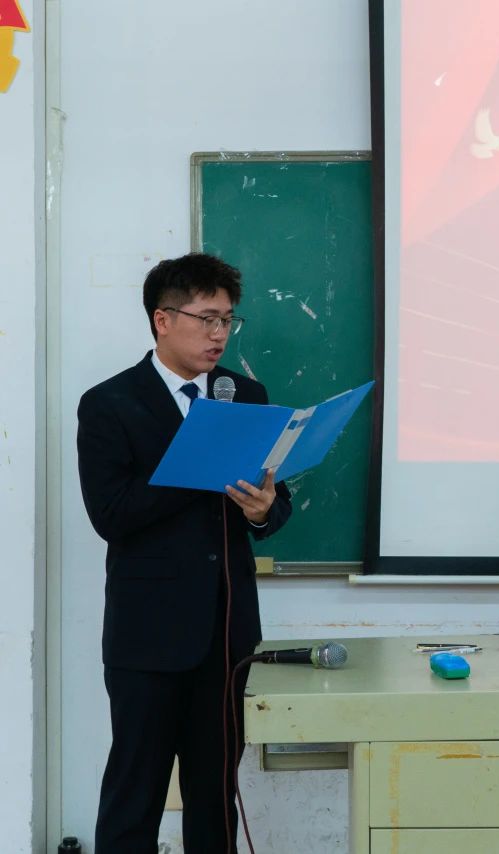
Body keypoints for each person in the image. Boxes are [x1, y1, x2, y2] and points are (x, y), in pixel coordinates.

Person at [77, 253, 292, 852]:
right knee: (135, 791)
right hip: (148, 637)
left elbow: (276, 504)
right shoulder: (110, 403)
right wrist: (198, 464)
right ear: (163, 320)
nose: (219, 334)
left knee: (214, 793)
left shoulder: (246, 396)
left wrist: (262, 511)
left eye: (228, 320)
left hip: (227, 634)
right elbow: (111, 515)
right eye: (206, 319)